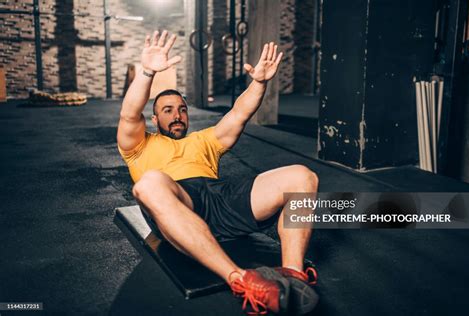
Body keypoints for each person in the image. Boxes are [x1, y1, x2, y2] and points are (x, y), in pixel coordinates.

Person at [117, 30, 319, 315]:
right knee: (149, 183)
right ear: (153, 118)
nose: (177, 115)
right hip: (177, 202)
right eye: (167, 110)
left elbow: (239, 114)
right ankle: (241, 280)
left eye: (182, 110)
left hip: (219, 201)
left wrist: (259, 82)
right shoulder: (138, 144)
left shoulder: (205, 140)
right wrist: (148, 72)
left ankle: (293, 275)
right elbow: (128, 114)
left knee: (301, 175)